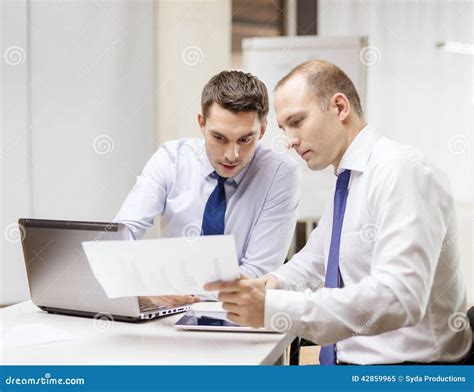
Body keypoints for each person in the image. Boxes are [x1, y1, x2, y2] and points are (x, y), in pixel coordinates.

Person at [206, 60, 472, 365]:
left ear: (340, 107)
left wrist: (273, 307)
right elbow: (316, 259)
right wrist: (270, 284)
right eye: (284, 128)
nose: (290, 140)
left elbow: (400, 298)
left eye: (297, 121)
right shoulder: (349, 179)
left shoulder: (400, 171)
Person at [114, 70, 300, 308]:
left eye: (245, 139)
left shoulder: (279, 174)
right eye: (219, 137)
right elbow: (122, 234)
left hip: (238, 317)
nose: (231, 155)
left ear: (262, 130)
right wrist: (143, 287)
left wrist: (169, 288)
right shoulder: (171, 160)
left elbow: (256, 275)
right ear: (202, 123)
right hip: (171, 317)